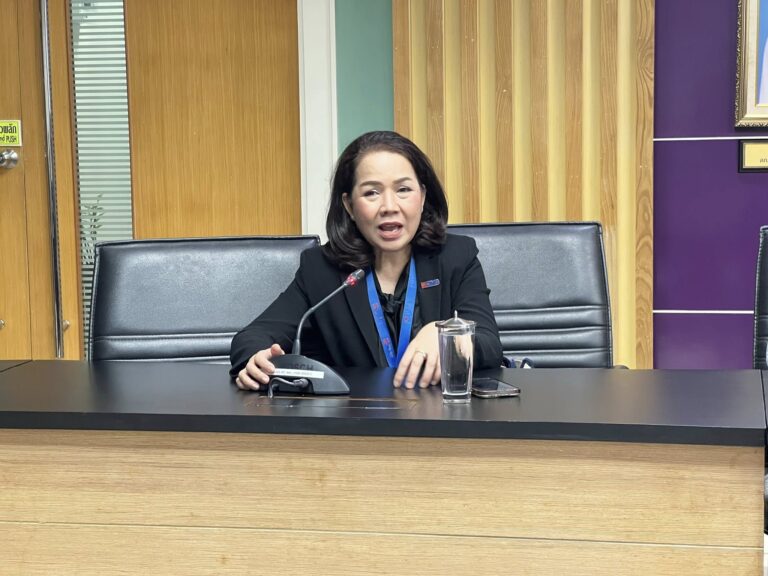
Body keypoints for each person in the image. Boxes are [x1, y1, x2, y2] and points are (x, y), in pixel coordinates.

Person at [230, 131, 502, 390]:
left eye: (403, 189)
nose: (389, 206)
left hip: (437, 415)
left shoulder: (456, 256)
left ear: (422, 197)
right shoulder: (321, 269)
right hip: (356, 415)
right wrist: (256, 358)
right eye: (372, 192)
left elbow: (490, 344)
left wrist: (448, 336)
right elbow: (253, 336)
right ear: (349, 206)